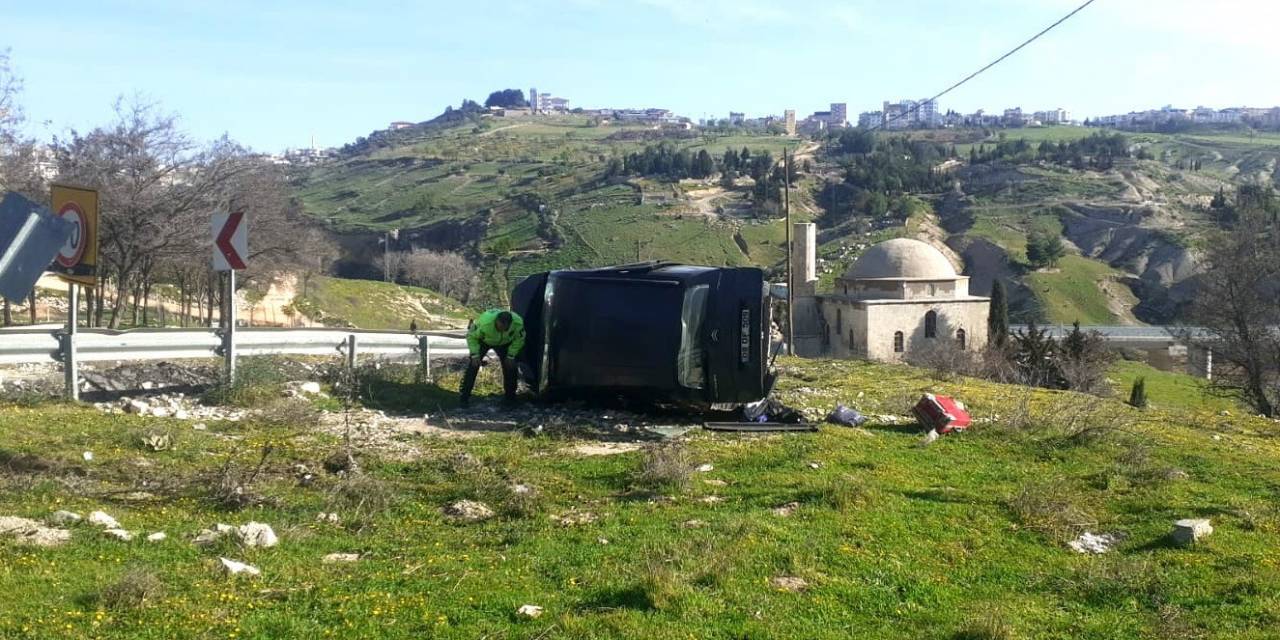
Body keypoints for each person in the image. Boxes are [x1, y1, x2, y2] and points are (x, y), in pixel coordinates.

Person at [458, 309, 525, 408]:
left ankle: (510, 398)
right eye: (499, 327)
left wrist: (511, 355)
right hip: (484, 340)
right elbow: (471, 336)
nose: (502, 329)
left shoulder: (518, 323)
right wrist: (474, 355)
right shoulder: (486, 324)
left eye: (505, 328)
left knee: (510, 366)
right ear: (496, 321)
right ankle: (464, 397)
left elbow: (520, 339)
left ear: (510, 324)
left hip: (505, 343)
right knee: (474, 365)